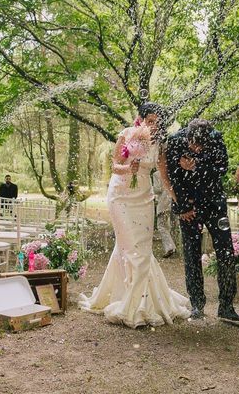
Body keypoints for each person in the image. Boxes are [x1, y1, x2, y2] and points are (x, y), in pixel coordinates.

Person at [79, 103, 190, 328]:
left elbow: (163, 175)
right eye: (150, 120)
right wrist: (130, 168)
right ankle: (133, 305)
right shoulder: (126, 135)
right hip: (120, 197)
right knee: (130, 248)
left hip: (144, 198)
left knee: (139, 248)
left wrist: (177, 197)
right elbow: (115, 165)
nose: (153, 125)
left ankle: (135, 297)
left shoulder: (159, 145)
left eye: (158, 123)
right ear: (140, 119)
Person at [162, 119, 239, 323]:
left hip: (214, 204)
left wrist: (197, 164)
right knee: (191, 254)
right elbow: (171, 177)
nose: (195, 147)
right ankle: (197, 303)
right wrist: (183, 207)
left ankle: (226, 305)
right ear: (187, 136)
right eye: (192, 143)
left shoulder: (217, 140)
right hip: (188, 207)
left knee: (225, 252)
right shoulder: (175, 141)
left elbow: (222, 168)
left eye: (200, 145)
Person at [151, 169, 176, 258]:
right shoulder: (170, 171)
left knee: (161, 226)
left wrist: (150, 188)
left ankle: (170, 247)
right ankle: (170, 247)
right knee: (167, 226)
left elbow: (158, 189)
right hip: (171, 202)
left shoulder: (157, 174)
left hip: (163, 202)